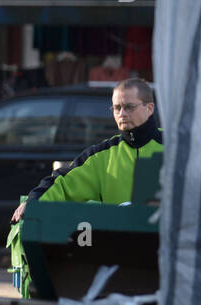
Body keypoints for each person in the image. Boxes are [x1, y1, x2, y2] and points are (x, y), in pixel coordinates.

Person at [10, 78, 162, 224]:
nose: (122, 113)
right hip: (119, 246)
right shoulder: (102, 155)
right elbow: (63, 183)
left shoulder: (175, 148)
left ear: (149, 108)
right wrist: (34, 202)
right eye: (117, 108)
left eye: (129, 107)